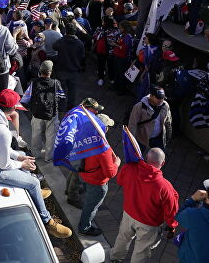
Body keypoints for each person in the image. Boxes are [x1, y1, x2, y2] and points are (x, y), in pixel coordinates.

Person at [0, 89, 71, 239]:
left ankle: (35, 194)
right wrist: (22, 165)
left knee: (22, 155)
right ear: (13, 108)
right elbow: (3, 165)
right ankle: (47, 222)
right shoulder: (1, 131)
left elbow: (1, 149)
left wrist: (20, 159)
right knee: (34, 182)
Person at [108, 148, 179, 263]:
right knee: (141, 250)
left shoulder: (129, 168)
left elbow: (120, 181)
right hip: (149, 223)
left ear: (146, 158)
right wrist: (172, 225)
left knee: (123, 238)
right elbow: (171, 209)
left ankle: (115, 258)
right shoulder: (165, 186)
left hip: (128, 214)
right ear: (163, 163)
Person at [76, 100, 119, 237]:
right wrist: (117, 163)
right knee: (91, 206)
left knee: (88, 197)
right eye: (107, 126)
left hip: (84, 174)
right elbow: (110, 173)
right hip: (96, 181)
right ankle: (84, 227)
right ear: (103, 128)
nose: (108, 129)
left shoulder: (85, 136)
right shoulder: (103, 148)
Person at [22, 60, 63, 162]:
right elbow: (61, 97)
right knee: (51, 135)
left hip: (37, 114)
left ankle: (35, 154)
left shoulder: (34, 83)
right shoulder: (56, 83)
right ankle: (49, 157)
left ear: (40, 71)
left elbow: (25, 98)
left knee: (36, 133)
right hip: (52, 114)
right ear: (50, 72)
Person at [127, 86, 172, 152]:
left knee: (156, 158)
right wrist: (132, 143)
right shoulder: (139, 107)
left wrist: (168, 136)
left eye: (162, 98)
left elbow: (168, 121)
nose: (161, 100)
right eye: (158, 98)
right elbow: (132, 125)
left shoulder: (165, 105)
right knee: (138, 159)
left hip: (158, 138)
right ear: (151, 96)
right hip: (142, 139)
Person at [52, 25, 85, 106]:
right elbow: (82, 57)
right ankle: (71, 105)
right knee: (72, 90)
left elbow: (54, 46)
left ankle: (61, 105)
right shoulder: (79, 43)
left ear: (66, 32)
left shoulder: (61, 41)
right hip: (74, 70)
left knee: (61, 89)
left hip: (62, 69)